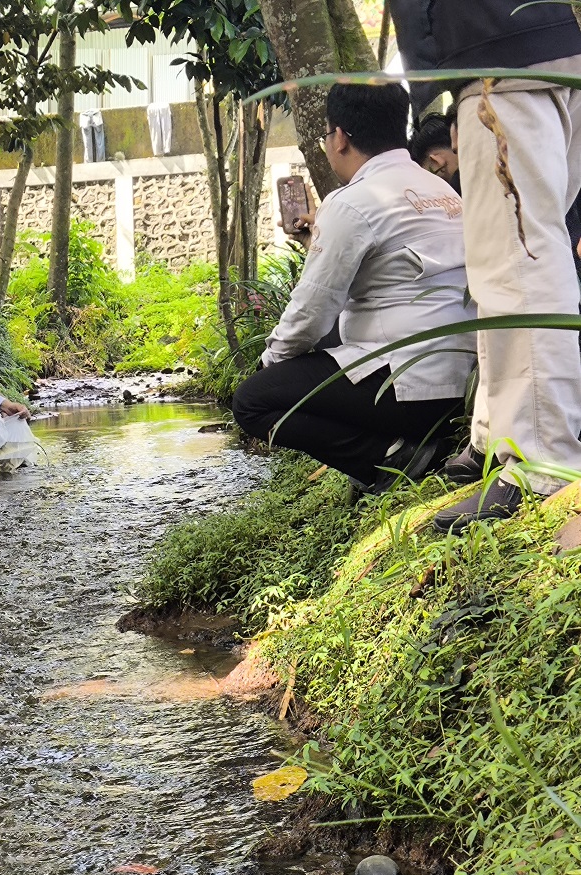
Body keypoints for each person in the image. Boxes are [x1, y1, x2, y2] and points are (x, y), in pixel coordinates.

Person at [389, 0, 581, 528]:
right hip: (548, 39)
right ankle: (495, 436)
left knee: (520, 259)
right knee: (524, 249)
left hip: (498, 51)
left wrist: (436, 89)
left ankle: (542, 464)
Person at [230, 82, 476, 494]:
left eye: (328, 135)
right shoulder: (444, 192)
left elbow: (310, 313)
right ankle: (420, 444)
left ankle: (388, 458)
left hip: (410, 389)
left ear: (340, 137)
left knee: (253, 400)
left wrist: (269, 362)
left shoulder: (351, 202)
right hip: (466, 386)